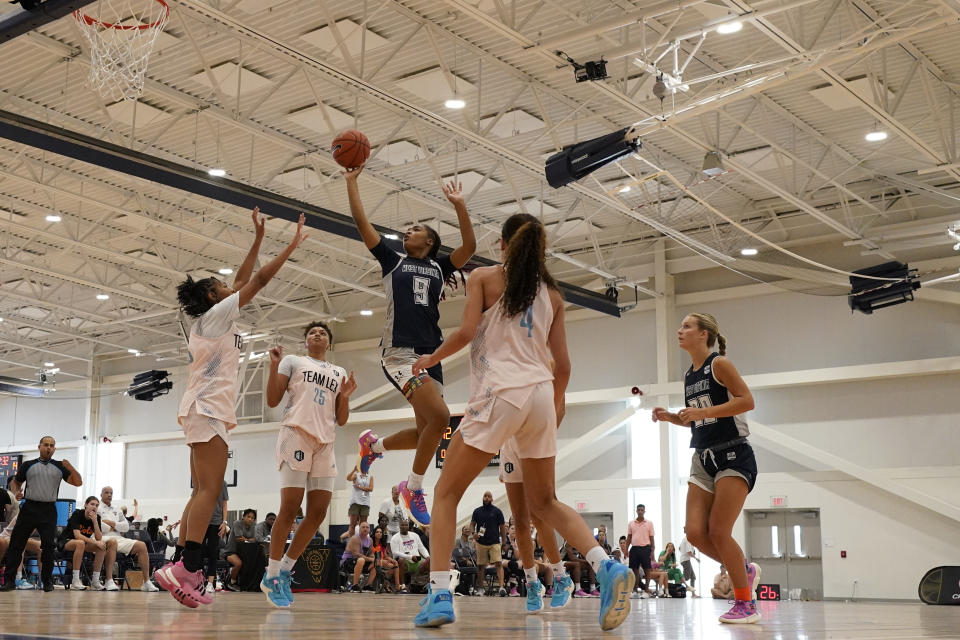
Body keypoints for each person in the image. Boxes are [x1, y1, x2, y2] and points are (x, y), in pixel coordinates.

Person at [409, 213, 633, 630]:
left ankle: (439, 592)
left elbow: (465, 333)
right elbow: (563, 366)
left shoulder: (485, 278)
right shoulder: (552, 293)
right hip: (542, 396)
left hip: (500, 392)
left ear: (502, 244)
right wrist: (554, 407)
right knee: (544, 502)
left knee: (445, 493)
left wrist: (429, 360)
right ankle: (606, 566)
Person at [154, 208, 307, 609]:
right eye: (221, 285)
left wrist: (257, 238)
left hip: (201, 409)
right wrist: (289, 246)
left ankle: (178, 567)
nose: (229, 286)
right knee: (208, 490)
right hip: (208, 409)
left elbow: (241, 279)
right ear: (211, 296)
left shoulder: (217, 316)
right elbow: (255, 281)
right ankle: (187, 566)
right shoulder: (217, 316)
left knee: (199, 492)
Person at [343, 165, 476, 527]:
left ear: (430, 242)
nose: (407, 232)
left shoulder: (440, 267)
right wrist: (351, 183)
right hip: (400, 353)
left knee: (425, 434)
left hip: (431, 355)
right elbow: (362, 224)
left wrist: (460, 205)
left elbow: (470, 247)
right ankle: (413, 487)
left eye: (416, 229)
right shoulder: (392, 261)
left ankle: (374, 447)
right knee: (439, 418)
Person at [652, 312, 761, 624]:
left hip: (733, 454)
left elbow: (747, 400)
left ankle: (745, 603)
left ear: (703, 334)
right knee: (696, 533)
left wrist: (706, 411)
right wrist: (672, 417)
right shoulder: (689, 374)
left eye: (686, 326)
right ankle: (744, 568)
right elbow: (702, 418)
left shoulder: (719, 364)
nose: (679, 330)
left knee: (719, 530)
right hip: (702, 458)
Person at [261, 320, 356, 608]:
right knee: (290, 508)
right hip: (296, 433)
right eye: (313, 332)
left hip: (325, 441)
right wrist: (273, 367)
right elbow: (273, 399)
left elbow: (341, 419)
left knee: (317, 514)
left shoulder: (338, 372)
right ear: (305, 341)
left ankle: (286, 570)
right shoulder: (292, 361)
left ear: (329, 342)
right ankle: (272, 573)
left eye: (323, 333)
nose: (318, 334)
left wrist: (347, 396)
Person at [0, 436, 82, 592]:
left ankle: (47, 581)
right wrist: (17, 492)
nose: (49, 448)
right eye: (46, 445)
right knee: (16, 544)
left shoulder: (60, 466)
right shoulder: (28, 465)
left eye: (52, 445)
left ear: (54, 449)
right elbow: (16, 482)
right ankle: (9, 581)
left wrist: (70, 467)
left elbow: (78, 482)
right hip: (29, 508)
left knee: (49, 547)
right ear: (39, 447)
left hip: (48, 510)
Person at [98, 486, 157, 592]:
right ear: (101, 494)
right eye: (106, 492)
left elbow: (125, 527)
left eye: (111, 493)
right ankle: (108, 580)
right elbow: (100, 526)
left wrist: (111, 523)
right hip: (102, 537)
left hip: (119, 537)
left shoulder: (116, 509)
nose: (109, 495)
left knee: (141, 545)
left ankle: (146, 582)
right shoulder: (96, 507)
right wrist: (115, 526)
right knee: (113, 542)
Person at [59, 496, 116, 591]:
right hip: (66, 541)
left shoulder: (96, 517)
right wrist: (95, 542)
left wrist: (95, 522)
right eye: (92, 504)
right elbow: (77, 536)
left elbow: (99, 537)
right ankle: (75, 580)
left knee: (101, 546)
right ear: (86, 505)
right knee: (80, 543)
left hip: (82, 544)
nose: (94, 507)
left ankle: (95, 582)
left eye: (97, 505)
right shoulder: (77, 514)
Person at [470, 490, 506, 596]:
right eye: (485, 496)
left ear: (492, 499)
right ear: (482, 498)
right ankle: (481, 589)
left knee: (498, 563)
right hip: (481, 542)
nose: (486, 498)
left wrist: (504, 543)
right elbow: (472, 524)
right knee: (481, 566)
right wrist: (473, 533)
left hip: (494, 542)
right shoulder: (477, 511)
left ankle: (501, 587)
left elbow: (502, 527)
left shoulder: (497, 511)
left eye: (489, 496)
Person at [390, 518, 429, 593]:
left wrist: (427, 556)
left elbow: (422, 548)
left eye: (406, 525)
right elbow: (395, 553)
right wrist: (410, 557)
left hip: (417, 561)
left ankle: (428, 584)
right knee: (401, 560)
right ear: (399, 526)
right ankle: (403, 585)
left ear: (408, 526)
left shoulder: (415, 535)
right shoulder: (395, 538)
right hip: (405, 562)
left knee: (430, 560)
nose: (404, 527)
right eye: (402, 525)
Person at [224, 508, 257, 591]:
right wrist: (249, 539)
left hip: (243, 552)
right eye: (248, 517)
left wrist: (247, 539)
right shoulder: (237, 523)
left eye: (252, 518)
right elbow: (239, 538)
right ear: (243, 517)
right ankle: (231, 582)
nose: (250, 519)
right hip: (230, 551)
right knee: (238, 563)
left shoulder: (253, 526)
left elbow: (254, 539)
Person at [625, 504, 655, 596]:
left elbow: (652, 538)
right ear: (636, 511)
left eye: (642, 510)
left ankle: (646, 589)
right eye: (639, 510)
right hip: (634, 548)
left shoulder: (649, 523)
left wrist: (652, 550)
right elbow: (629, 537)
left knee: (647, 569)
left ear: (644, 511)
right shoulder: (631, 523)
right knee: (634, 570)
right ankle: (634, 590)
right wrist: (626, 549)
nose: (640, 511)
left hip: (646, 548)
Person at [341, 521, 375, 592]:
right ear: (359, 529)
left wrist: (373, 558)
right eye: (363, 527)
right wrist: (370, 559)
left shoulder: (370, 540)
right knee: (361, 560)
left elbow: (371, 553)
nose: (365, 529)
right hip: (348, 562)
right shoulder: (355, 538)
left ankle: (368, 585)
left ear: (369, 529)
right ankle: (355, 585)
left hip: (361, 561)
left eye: (367, 527)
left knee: (377, 562)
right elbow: (356, 554)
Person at [343, 467, 373, 541]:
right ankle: (352, 542)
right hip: (355, 501)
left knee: (363, 525)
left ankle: (362, 542)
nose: (365, 467)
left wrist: (359, 487)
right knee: (352, 524)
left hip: (365, 502)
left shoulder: (370, 477)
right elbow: (348, 478)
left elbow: (370, 489)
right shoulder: (356, 475)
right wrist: (354, 470)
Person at [370, 525, 400, 592]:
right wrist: (382, 560)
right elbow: (372, 556)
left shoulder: (382, 543)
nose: (379, 533)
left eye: (380, 532)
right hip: (373, 562)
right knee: (389, 565)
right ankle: (386, 584)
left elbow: (386, 556)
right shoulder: (371, 542)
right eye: (377, 532)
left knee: (394, 564)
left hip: (382, 562)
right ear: (374, 533)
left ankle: (397, 586)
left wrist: (393, 560)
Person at [678, 530, 698, 597]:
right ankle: (676, 587)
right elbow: (689, 552)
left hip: (685, 559)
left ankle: (693, 594)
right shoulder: (688, 540)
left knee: (693, 577)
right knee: (686, 577)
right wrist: (696, 558)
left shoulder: (685, 539)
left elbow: (679, 548)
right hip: (685, 560)